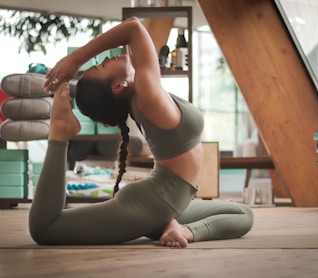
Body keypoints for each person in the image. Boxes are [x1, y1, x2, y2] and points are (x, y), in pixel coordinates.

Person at [29, 17, 253, 247]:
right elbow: (134, 27)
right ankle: (59, 130)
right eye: (103, 66)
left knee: (243, 214)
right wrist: (75, 59)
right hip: (150, 203)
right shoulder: (147, 95)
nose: (106, 57)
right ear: (118, 87)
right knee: (45, 228)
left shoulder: (140, 92)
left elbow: (132, 37)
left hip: (165, 202)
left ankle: (172, 226)